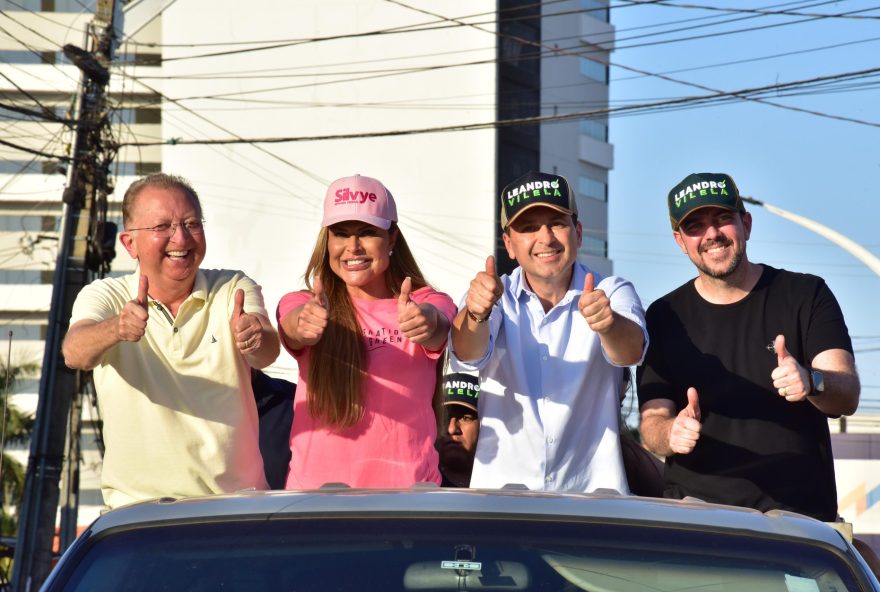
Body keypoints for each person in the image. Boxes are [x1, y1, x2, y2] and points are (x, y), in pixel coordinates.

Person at [637, 171, 860, 522]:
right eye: (695, 226)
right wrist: (670, 433)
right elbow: (652, 423)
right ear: (680, 241)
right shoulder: (665, 315)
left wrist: (812, 381)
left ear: (746, 223)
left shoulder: (806, 294)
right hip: (698, 520)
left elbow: (846, 393)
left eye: (722, 218)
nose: (711, 234)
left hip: (798, 523)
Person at [63, 173, 279, 508]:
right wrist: (117, 329)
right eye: (162, 227)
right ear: (129, 243)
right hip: (137, 513)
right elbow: (74, 352)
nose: (180, 238)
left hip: (238, 508)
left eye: (191, 223)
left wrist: (253, 337)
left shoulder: (231, 287)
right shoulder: (106, 294)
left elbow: (267, 350)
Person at [450, 170, 648, 493]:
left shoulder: (611, 290)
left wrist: (608, 325)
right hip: (501, 508)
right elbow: (467, 353)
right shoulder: (492, 293)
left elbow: (632, 351)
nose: (546, 238)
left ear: (578, 233)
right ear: (509, 245)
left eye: (556, 223)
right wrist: (474, 314)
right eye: (528, 227)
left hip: (593, 508)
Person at [277, 174, 456, 489]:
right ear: (327, 240)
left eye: (367, 233)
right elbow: (291, 325)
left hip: (407, 501)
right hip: (316, 502)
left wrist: (425, 322)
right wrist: (302, 326)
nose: (352, 247)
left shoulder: (426, 301)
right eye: (341, 233)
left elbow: (439, 324)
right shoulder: (305, 304)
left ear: (392, 239)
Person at [437, 372, 480, 488]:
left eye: (465, 418)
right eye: (444, 418)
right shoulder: (418, 486)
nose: (452, 429)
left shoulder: (501, 487)